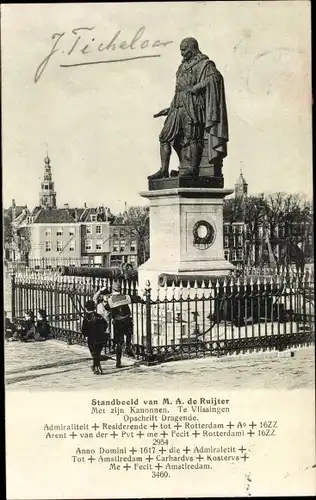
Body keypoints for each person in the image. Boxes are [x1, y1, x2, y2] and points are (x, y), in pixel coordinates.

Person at [149, 37, 228, 179]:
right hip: (177, 106)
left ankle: (193, 169)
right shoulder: (182, 67)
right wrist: (170, 107)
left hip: (192, 105)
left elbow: (215, 78)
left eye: (184, 50)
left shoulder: (204, 63)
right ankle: (164, 170)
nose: (182, 53)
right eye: (181, 50)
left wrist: (196, 88)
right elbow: (178, 89)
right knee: (164, 137)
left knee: (193, 138)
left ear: (192, 48)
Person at [104, 281, 133, 368]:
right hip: (127, 320)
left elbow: (106, 308)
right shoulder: (126, 297)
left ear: (113, 289)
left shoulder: (111, 300)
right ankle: (128, 347)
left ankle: (118, 361)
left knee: (119, 343)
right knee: (129, 335)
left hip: (118, 323)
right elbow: (135, 299)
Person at [81, 300, 107, 375]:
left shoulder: (86, 317)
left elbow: (84, 328)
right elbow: (105, 324)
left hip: (91, 337)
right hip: (100, 336)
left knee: (94, 353)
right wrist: (102, 330)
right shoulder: (99, 316)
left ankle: (97, 367)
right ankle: (95, 366)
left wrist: (85, 335)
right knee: (98, 353)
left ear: (86, 308)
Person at [93, 286, 111, 353]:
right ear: (102, 296)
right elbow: (94, 298)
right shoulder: (98, 304)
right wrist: (100, 291)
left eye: (108, 296)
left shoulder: (110, 304)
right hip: (99, 324)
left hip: (107, 325)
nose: (106, 297)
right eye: (104, 296)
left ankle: (104, 351)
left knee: (105, 339)